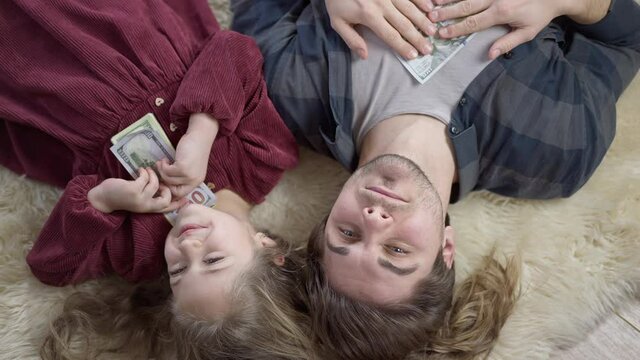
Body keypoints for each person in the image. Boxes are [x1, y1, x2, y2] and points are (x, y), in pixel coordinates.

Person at [231, 0, 640, 358]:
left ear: (327, 219)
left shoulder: (288, 90)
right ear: (446, 248)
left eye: (349, 235)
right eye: (396, 250)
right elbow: (626, 38)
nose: (374, 218)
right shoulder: (557, 148)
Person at [0, 1, 310, 358]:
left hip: (48, 80)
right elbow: (233, 48)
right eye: (213, 261)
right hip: (128, 27)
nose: (188, 248)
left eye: (178, 271)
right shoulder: (263, 160)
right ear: (267, 249)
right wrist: (202, 130)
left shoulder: (142, 251)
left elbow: (51, 267)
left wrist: (104, 201)